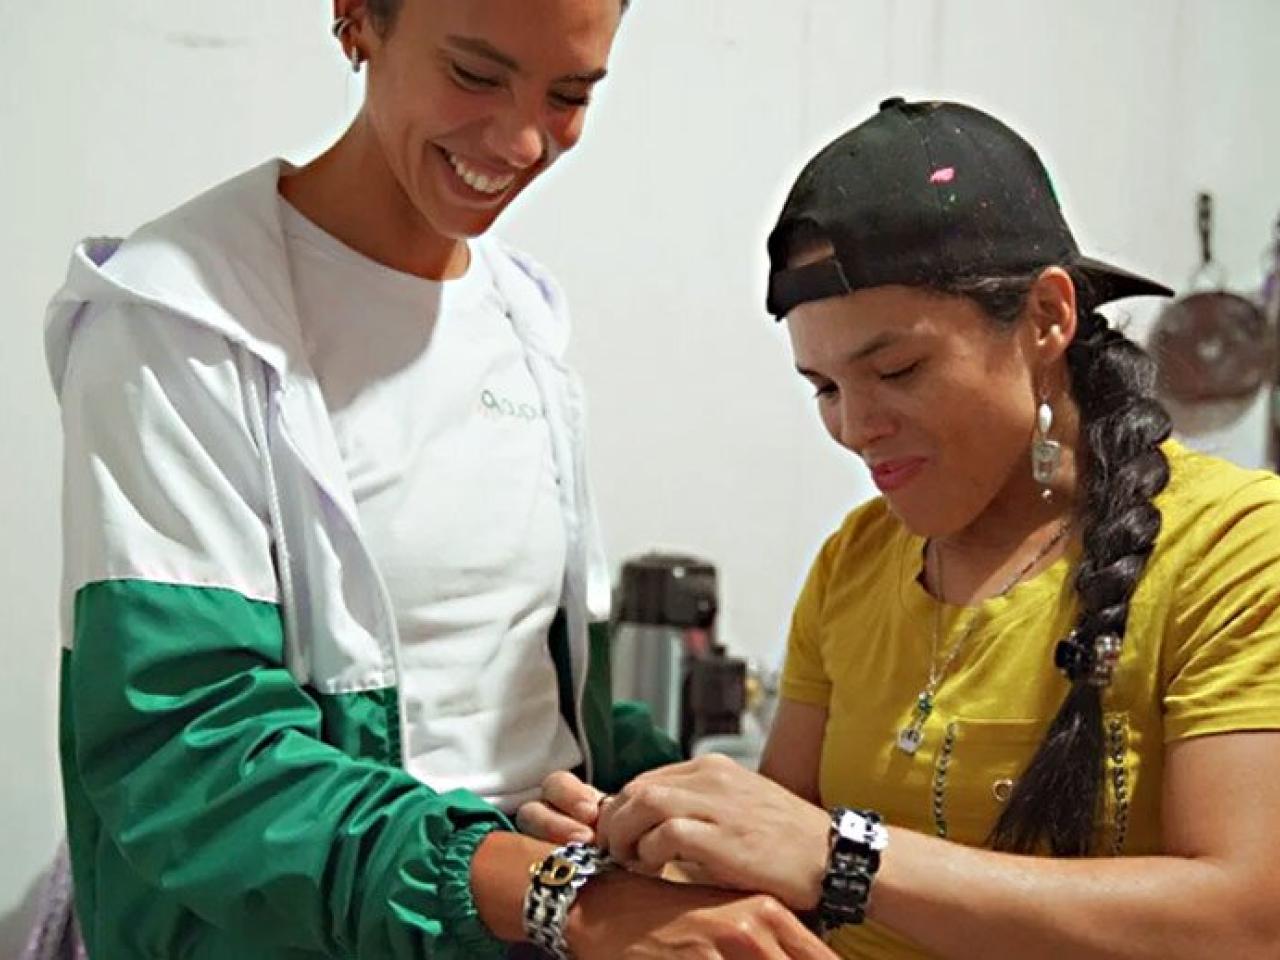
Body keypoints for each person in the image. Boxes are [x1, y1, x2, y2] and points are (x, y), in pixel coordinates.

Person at [43, 1, 840, 957]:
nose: (517, 139)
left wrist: (677, 807)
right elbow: (191, 758)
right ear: (356, 18)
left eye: (570, 94)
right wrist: (562, 899)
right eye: (474, 74)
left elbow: (532, 701)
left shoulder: (522, 316)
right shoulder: (179, 323)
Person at [523, 98, 1280, 958]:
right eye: (826, 388)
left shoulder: (1235, 549)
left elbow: (1248, 920)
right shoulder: (857, 562)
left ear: (1046, 318)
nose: (855, 427)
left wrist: (845, 858)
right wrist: (643, 845)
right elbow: (776, 866)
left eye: (897, 369)